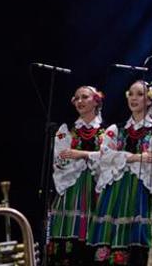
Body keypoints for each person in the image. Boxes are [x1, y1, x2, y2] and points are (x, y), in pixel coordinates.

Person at [88, 81, 152, 265]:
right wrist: (135, 158)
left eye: (139, 94)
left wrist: (122, 158)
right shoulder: (116, 129)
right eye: (131, 93)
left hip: (140, 189)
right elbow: (105, 155)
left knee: (137, 242)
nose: (134, 98)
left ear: (149, 100)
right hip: (116, 189)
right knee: (112, 242)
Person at [48, 86, 117, 265]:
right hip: (72, 188)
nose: (80, 101)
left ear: (96, 101)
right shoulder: (66, 132)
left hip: (95, 188)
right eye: (77, 98)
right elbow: (61, 159)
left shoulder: (107, 131)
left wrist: (82, 155)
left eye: (84, 97)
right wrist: (85, 158)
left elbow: (110, 159)